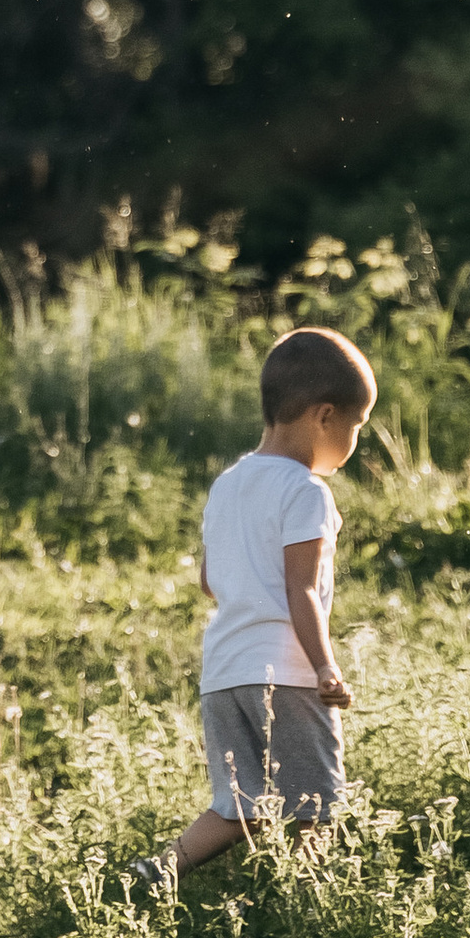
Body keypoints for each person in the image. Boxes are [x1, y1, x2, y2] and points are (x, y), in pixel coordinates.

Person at [135, 324, 374, 891]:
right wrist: (324, 666)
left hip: (224, 672)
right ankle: (306, 908)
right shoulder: (306, 491)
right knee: (315, 806)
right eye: (356, 427)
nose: (354, 442)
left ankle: (159, 872)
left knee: (241, 803)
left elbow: (209, 581)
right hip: (286, 675)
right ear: (323, 416)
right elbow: (303, 591)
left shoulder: (228, 484)